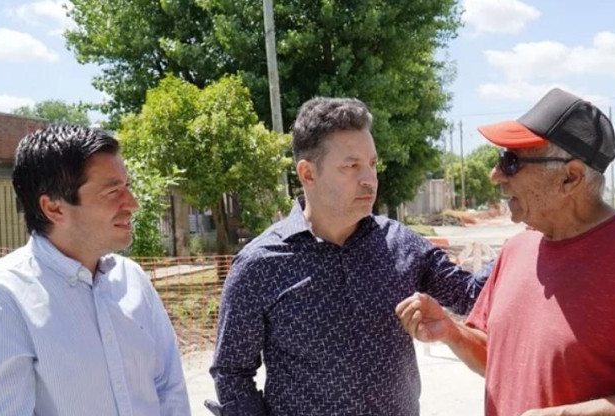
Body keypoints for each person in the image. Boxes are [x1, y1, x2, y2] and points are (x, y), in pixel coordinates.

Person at [396, 88, 615, 415]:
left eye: (511, 162)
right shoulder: (515, 251)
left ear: (570, 177)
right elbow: (503, 361)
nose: (496, 175)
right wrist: (452, 333)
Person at [208, 97, 490, 415]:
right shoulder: (259, 265)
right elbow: (232, 373)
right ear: (308, 174)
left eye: (372, 164)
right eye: (351, 166)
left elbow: (475, 296)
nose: (369, 179)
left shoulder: (401, 245)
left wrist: (539, 234)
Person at [0, 125, 190, 416]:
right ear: (54, 208)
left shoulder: (132, 279)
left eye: (128, 187)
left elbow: (168, 389)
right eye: (113, 191)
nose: (133, 204)